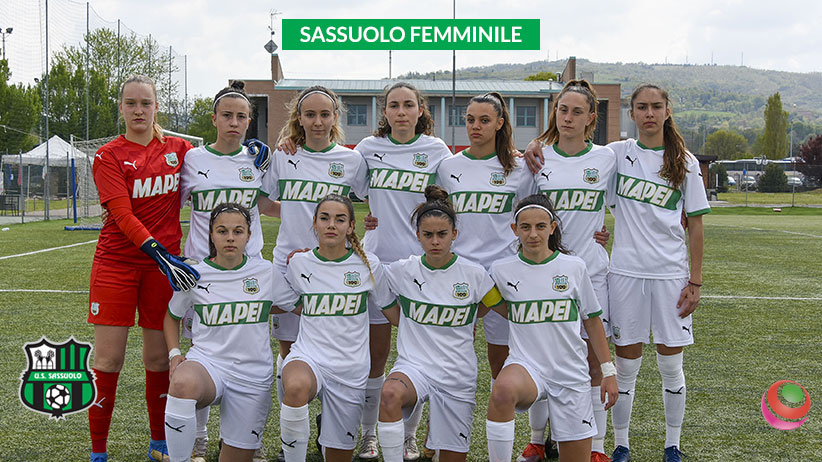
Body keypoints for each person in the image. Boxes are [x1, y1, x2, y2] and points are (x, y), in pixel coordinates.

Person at [88, 74, 200, 462]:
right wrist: (158, 251)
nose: (139, 110)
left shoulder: (180, 149)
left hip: (161, 270)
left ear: (156, 107)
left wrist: (258, 150)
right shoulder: (108, 155)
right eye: (131, 103)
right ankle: (98, 452)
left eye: (146, 103)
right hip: (117, 265)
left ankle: (159, 444)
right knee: (108, 360)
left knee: (157, 359)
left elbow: (220, 162)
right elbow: (122, 215)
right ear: (121, 108)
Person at [261, 85, 369, 459]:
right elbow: (263, 202)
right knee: (291, 351)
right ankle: (292, 438)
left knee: (334, 344)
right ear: (299, 118)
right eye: (310, 114)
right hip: (288, 265)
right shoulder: (284, 155)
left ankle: (331, 423)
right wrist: (296, 213)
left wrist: (366, 224)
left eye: (325, 114)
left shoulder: (351, 160)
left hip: (334, 267)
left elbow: (373, 199)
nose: (318, 121)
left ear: (335, 117)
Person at [604, 85, 709, 462]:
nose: (649, 113)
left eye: (656, 106)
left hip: (670, 276)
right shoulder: (616, 154)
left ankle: (672, 445)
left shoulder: (685, 162)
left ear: (667, 111)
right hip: (625, 273)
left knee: (670, 365)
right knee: (625, 366)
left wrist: (695, 280)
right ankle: (621, 445)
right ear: (631, 113)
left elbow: (696, 225)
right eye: (642, 107)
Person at [517, 80, 616, 462]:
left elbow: (624, 204)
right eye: (562, 110)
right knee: (543, 355)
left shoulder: (606, 158)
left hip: (591, 270)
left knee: (593, 359)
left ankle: (596, 446)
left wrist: (604, 234)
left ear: (591, 117)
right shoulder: (537, 158)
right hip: (544, 273)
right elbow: (522, 209)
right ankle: (538, 440)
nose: (568, 117)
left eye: (577, 111)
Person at [353, 82, 453, 461]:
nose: (401, 112)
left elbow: (455, 195)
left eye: (408, 105)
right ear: (385, 111)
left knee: (420, 357)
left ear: (420, 110)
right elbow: (340, 180)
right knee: (375, 357)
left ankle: (409, 436)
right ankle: (368, 435)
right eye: (393, 105)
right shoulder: (368, 149)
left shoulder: (436, 150)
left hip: (422, 268)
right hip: (376, 263)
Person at [178, 80, 274, 462]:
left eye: (241, 116)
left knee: (249, 346)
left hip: (249, 271)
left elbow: (267, 205)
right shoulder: (193, 160)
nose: (234, 122)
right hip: (201, 274)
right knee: (200, 351)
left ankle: (248, 434)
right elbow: (171, 205)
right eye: (227, 115)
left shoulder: (257, 160)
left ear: (249, 121)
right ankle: (199, 436)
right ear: (214, 118)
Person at [486, 194, 618, 462]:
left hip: (570, 372)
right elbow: (487, 304)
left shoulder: (574, 267)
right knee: (502, 390)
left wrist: (608, 371)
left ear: (552, 227)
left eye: (540, 226)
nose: (533, 234)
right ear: (515, 229)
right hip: (526, 366)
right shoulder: (500, 270)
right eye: (525, 227)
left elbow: (592, 321)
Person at [377, 185, 502, 462]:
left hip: (457, 374)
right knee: (390, 394)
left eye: (442, 234)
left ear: (454, 234)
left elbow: (496, 306)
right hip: (414, 367)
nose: (435, 241)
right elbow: (379, 294)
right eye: (428, 235)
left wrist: (469, 316)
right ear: (417, 236)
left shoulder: (475, 274)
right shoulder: (401, 271)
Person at [163, 203, 298, 462]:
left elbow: (295, 305)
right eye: (222, 231)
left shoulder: (265, 272)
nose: (230, 238)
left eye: (238, 231)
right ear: (211, 235)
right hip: (208, 364)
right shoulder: (195, 275)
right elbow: (172, 316)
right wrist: (174, 354)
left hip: (252, 374)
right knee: (182, 382)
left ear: (249, 236)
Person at [279, 194, 393, 462]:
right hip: (309, 357)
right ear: (315, 224)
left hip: (350, 369)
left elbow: (393, 312)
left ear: (351, 226)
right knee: (295, 387)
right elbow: (289, 303)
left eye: (340, 219)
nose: (331, 224)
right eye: (325, 218)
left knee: (338, 454)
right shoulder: (299, 263)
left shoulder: (369, 265)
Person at [435, 92, 535, 385]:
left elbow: (530, 217)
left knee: (502, 358)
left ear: (500, 123)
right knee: (449, 355)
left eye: (484, 120)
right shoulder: (448, 167)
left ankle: (502, 410)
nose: (475, 126)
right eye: (470, 120)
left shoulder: (518, 168)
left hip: (503, 273)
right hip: (460, 272)